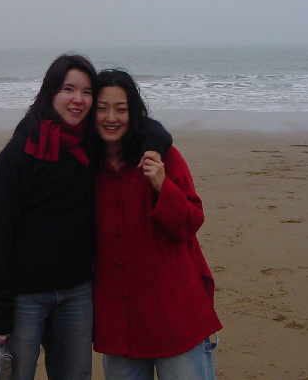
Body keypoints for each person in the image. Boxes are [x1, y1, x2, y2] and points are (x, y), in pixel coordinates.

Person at [0, 55, 172, 380]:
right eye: (68, 89)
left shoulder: (91, 142)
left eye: (86, 92)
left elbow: (150, 129)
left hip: (76, 293)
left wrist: (151, 150)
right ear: (51, 92)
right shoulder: (23, 148)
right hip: (23, 296)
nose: (78, 99)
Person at [92, 69, 223, 380]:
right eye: (102, 108)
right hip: (120, 322)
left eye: (121, 109)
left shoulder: (163, 157)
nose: (111, 118)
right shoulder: (85, 165)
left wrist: (163, 185)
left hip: (174, 314)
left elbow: (190, 222)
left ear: (134, 113)